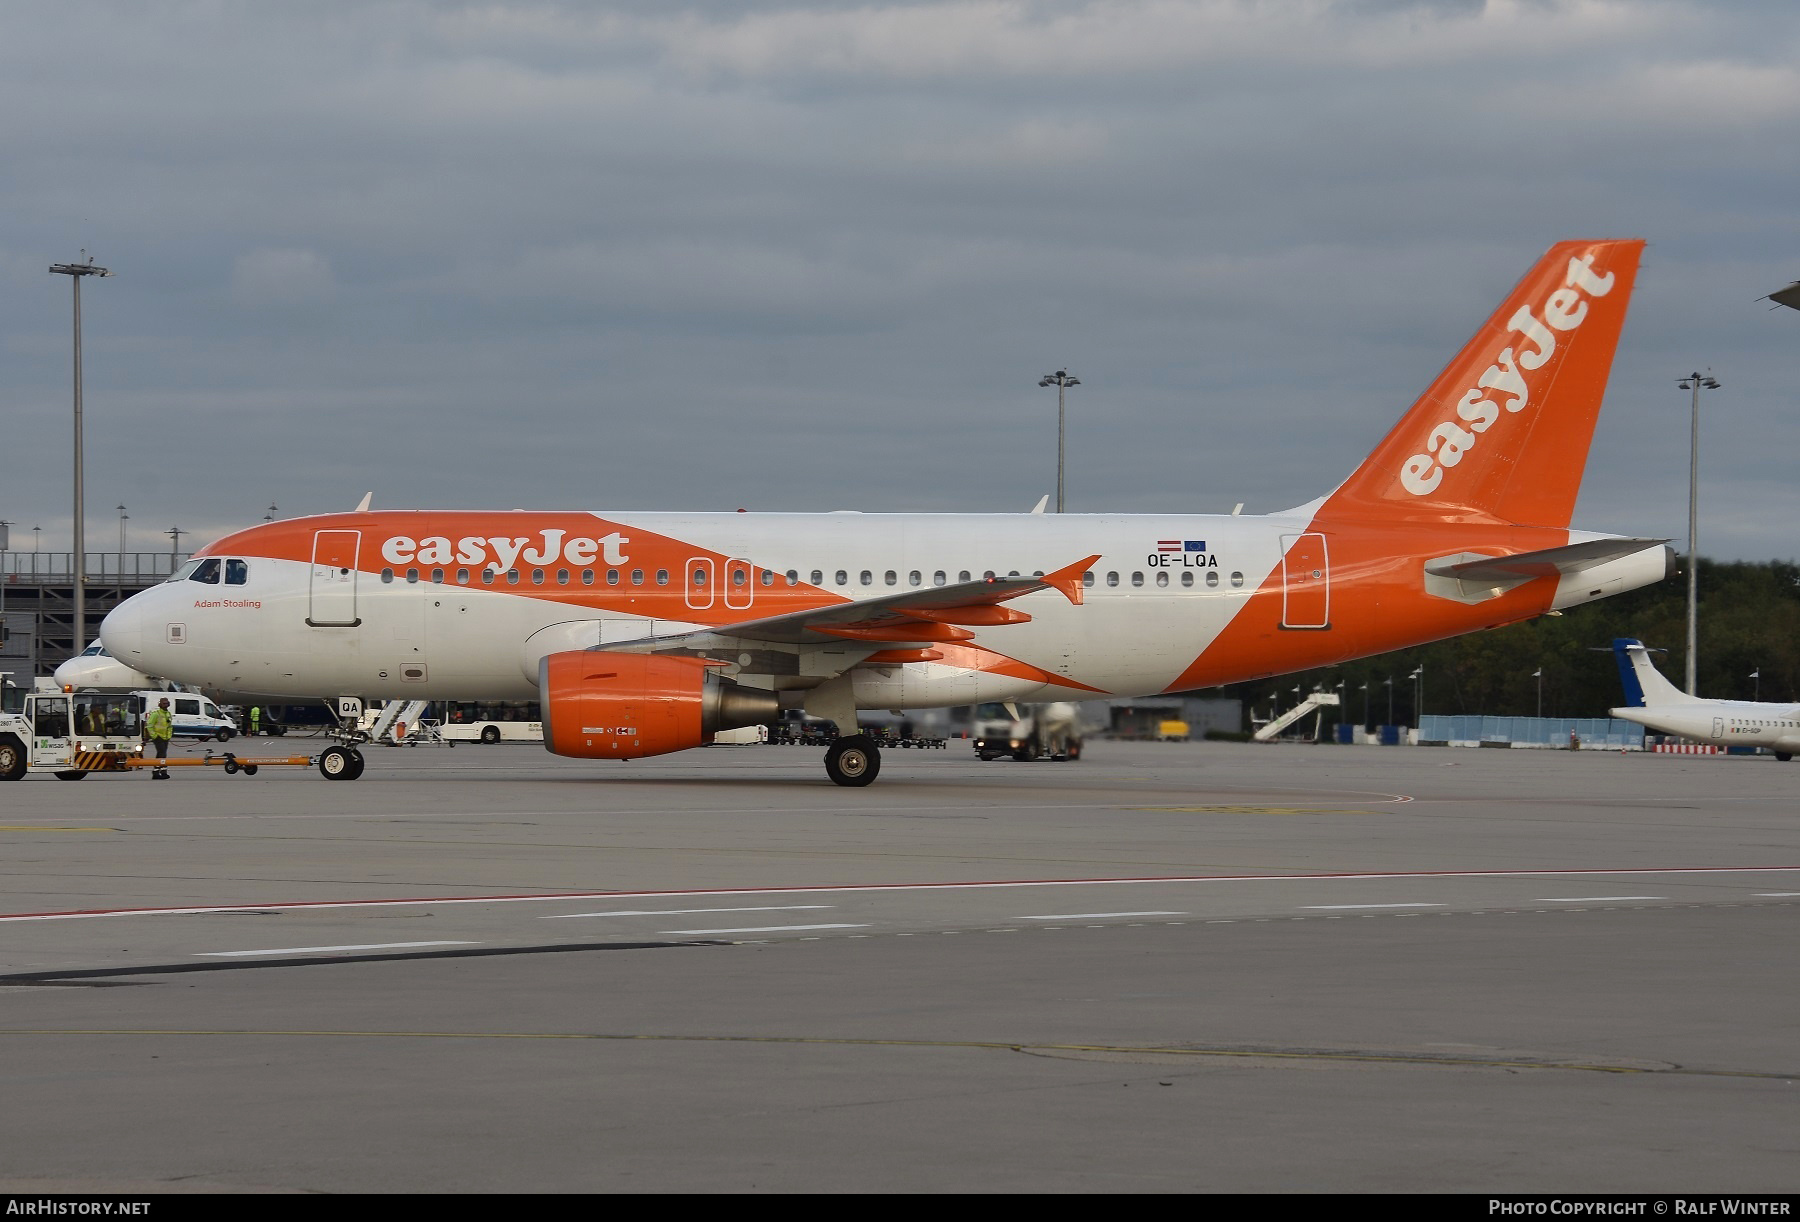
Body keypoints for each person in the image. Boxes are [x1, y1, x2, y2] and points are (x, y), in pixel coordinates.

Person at [144, 697, 174, 780]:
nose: (165, 705)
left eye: (167, 703)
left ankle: (160, 771)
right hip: (158, 737)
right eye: (164, 703)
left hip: (165, 737)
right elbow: (149, 725)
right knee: (162, 753)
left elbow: (169, 726)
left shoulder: (168, 714)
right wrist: (154, 736)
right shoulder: (156, 714)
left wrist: (169, 735)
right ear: (159, 704)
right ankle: (158, 772)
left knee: (162, 754)